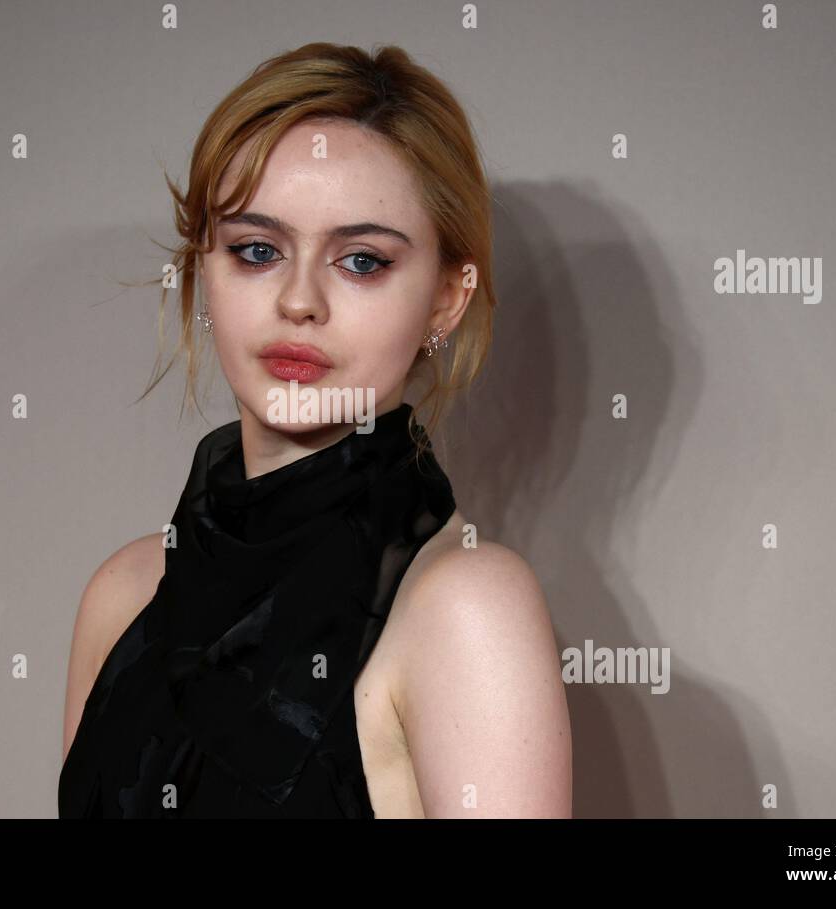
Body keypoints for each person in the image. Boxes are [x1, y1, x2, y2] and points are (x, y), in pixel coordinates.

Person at [58, 42, 571, 818]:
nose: (300, 301)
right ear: (206, 268)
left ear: (446, 299)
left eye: (361, 261)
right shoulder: (123, 596)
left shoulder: (467, 611)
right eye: (257, 250)